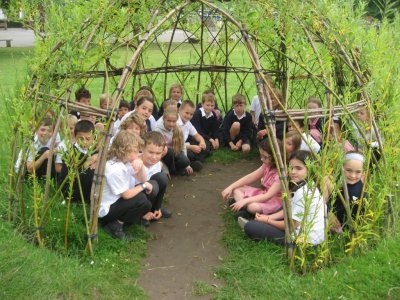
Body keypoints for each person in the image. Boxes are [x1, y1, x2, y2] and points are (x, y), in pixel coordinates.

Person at [240, 150, 326, 246]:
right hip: (305, 232)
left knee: (250, 227)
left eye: (298, 168)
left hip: (303, 242)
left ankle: (254, 223)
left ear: (310, 168)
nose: (293, 172)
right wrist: (269, 217)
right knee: (282, 207)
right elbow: (289, 209)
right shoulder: (309, 185)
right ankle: (255, 219)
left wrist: (268, 220)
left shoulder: (302, 193)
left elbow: (290, 226)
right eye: (290, 168)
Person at [99, 130, 153, 240]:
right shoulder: (113, 168)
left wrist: (141, 165)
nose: (138, 154)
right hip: (107, 209)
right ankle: (114, 226)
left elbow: (143, 179)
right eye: (135, 151)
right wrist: (143, 186)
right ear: (125, 150)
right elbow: (126, 195)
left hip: (117, 203)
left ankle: (117, 223)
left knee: (146, 204)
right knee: (141, 198)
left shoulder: (125, 162)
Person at [221, 139, 283, 219]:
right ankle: (244, 209)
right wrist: (230, 187)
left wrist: (245, 201)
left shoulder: (281, 175)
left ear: (275, 157)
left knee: (253, 207)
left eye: (265, 157)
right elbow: (251, 177)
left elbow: (268, 196)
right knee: (236, 189)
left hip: (272, 200)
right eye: (260, 155)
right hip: (263, 193)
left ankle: (245, 209)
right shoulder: (267, 165)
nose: (261, 159)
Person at [57, 120, 98, 203]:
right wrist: (87, 163)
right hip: (72, 189)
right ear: (75, 137)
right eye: (81, 139)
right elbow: (70, 177)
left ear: (93, 138)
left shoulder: (95, 151)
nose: (84, 142)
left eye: (88, 138)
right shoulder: (70, 153)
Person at [330, 151, 367, 233]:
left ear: (363, 172)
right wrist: (328, 213)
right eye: (349, 170)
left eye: (358, 172)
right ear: (341, 168)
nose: (353, 176)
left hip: (347, 232)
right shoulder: (334, 183)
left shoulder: (361, 191)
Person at [139, 131, 172, 220]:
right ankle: (141, 214)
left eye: (158, 153)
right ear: (142, 148)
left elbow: (161, 186)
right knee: (153, 184)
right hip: (137, 197)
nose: (154, 157)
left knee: (162, 178)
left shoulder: (157, 164)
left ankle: (156, 209)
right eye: (151, 152)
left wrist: (157, 207)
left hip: (149, 193)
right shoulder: (136, 164)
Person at [155, 106, 192, 175]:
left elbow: (183, 146)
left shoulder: (178, 129)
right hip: (164, 155)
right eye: (168, 121)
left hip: (176, 153)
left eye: (174, 121)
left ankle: (182, 168)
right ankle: (170, 170)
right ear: (163, 119)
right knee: (170, 152)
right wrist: (164, 169)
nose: (171, 124)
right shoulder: (158, 131)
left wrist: (187, 165)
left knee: (186, 160)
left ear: (177, 120)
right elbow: (157, 152)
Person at [178, 100, 209, 171]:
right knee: (188, 153)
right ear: (179, 110)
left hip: (185, 145)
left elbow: (197, 135)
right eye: (187, 113)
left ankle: (193, 161)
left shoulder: (188, 123)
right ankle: (190, 163)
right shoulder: (175, 122)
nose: (188, 116)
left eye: (191, 114)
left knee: (206, 144)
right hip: (177, 147)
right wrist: (191, 147)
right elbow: (174, 144)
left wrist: (202, 142)